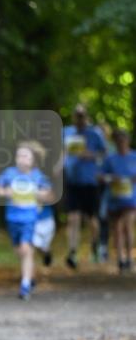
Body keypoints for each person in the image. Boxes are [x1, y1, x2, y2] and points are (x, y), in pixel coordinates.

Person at [0, 144, 53, 299]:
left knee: (26, 248)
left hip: (30, 218)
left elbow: (47, 193)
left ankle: (25, 285)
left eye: (26, 156)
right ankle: (30, 277)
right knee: (19, 251)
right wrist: (7, 192)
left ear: (33, 160)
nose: (22, 159)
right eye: (19, 156)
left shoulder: (37, 176)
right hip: (12, 218)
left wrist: (38, 193)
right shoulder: (10, 173)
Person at [63, 104, 107, 268]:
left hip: (90, 182)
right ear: (74, 117)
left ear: (86, 117)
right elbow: (62, 152)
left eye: (82, 116)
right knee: (73, 217)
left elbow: (104, 153)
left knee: (92, 219)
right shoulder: (67, 132)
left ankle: (94, 245)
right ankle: (72, 252)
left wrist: (91, 155)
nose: (79, 119)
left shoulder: (95, 134)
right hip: (73, 181)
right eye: (77, 115)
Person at [100, 128, 136, 272]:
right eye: (118, 141)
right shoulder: (110, 159)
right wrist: (111, 178)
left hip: (131, 199)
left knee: (128, 226)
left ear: (128, 141)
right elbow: (100, 176)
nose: (121, 144)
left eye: (123, 141)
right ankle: (120, 259)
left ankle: (129, 258)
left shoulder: (134, 157)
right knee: (117, 229)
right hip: (114, 199)